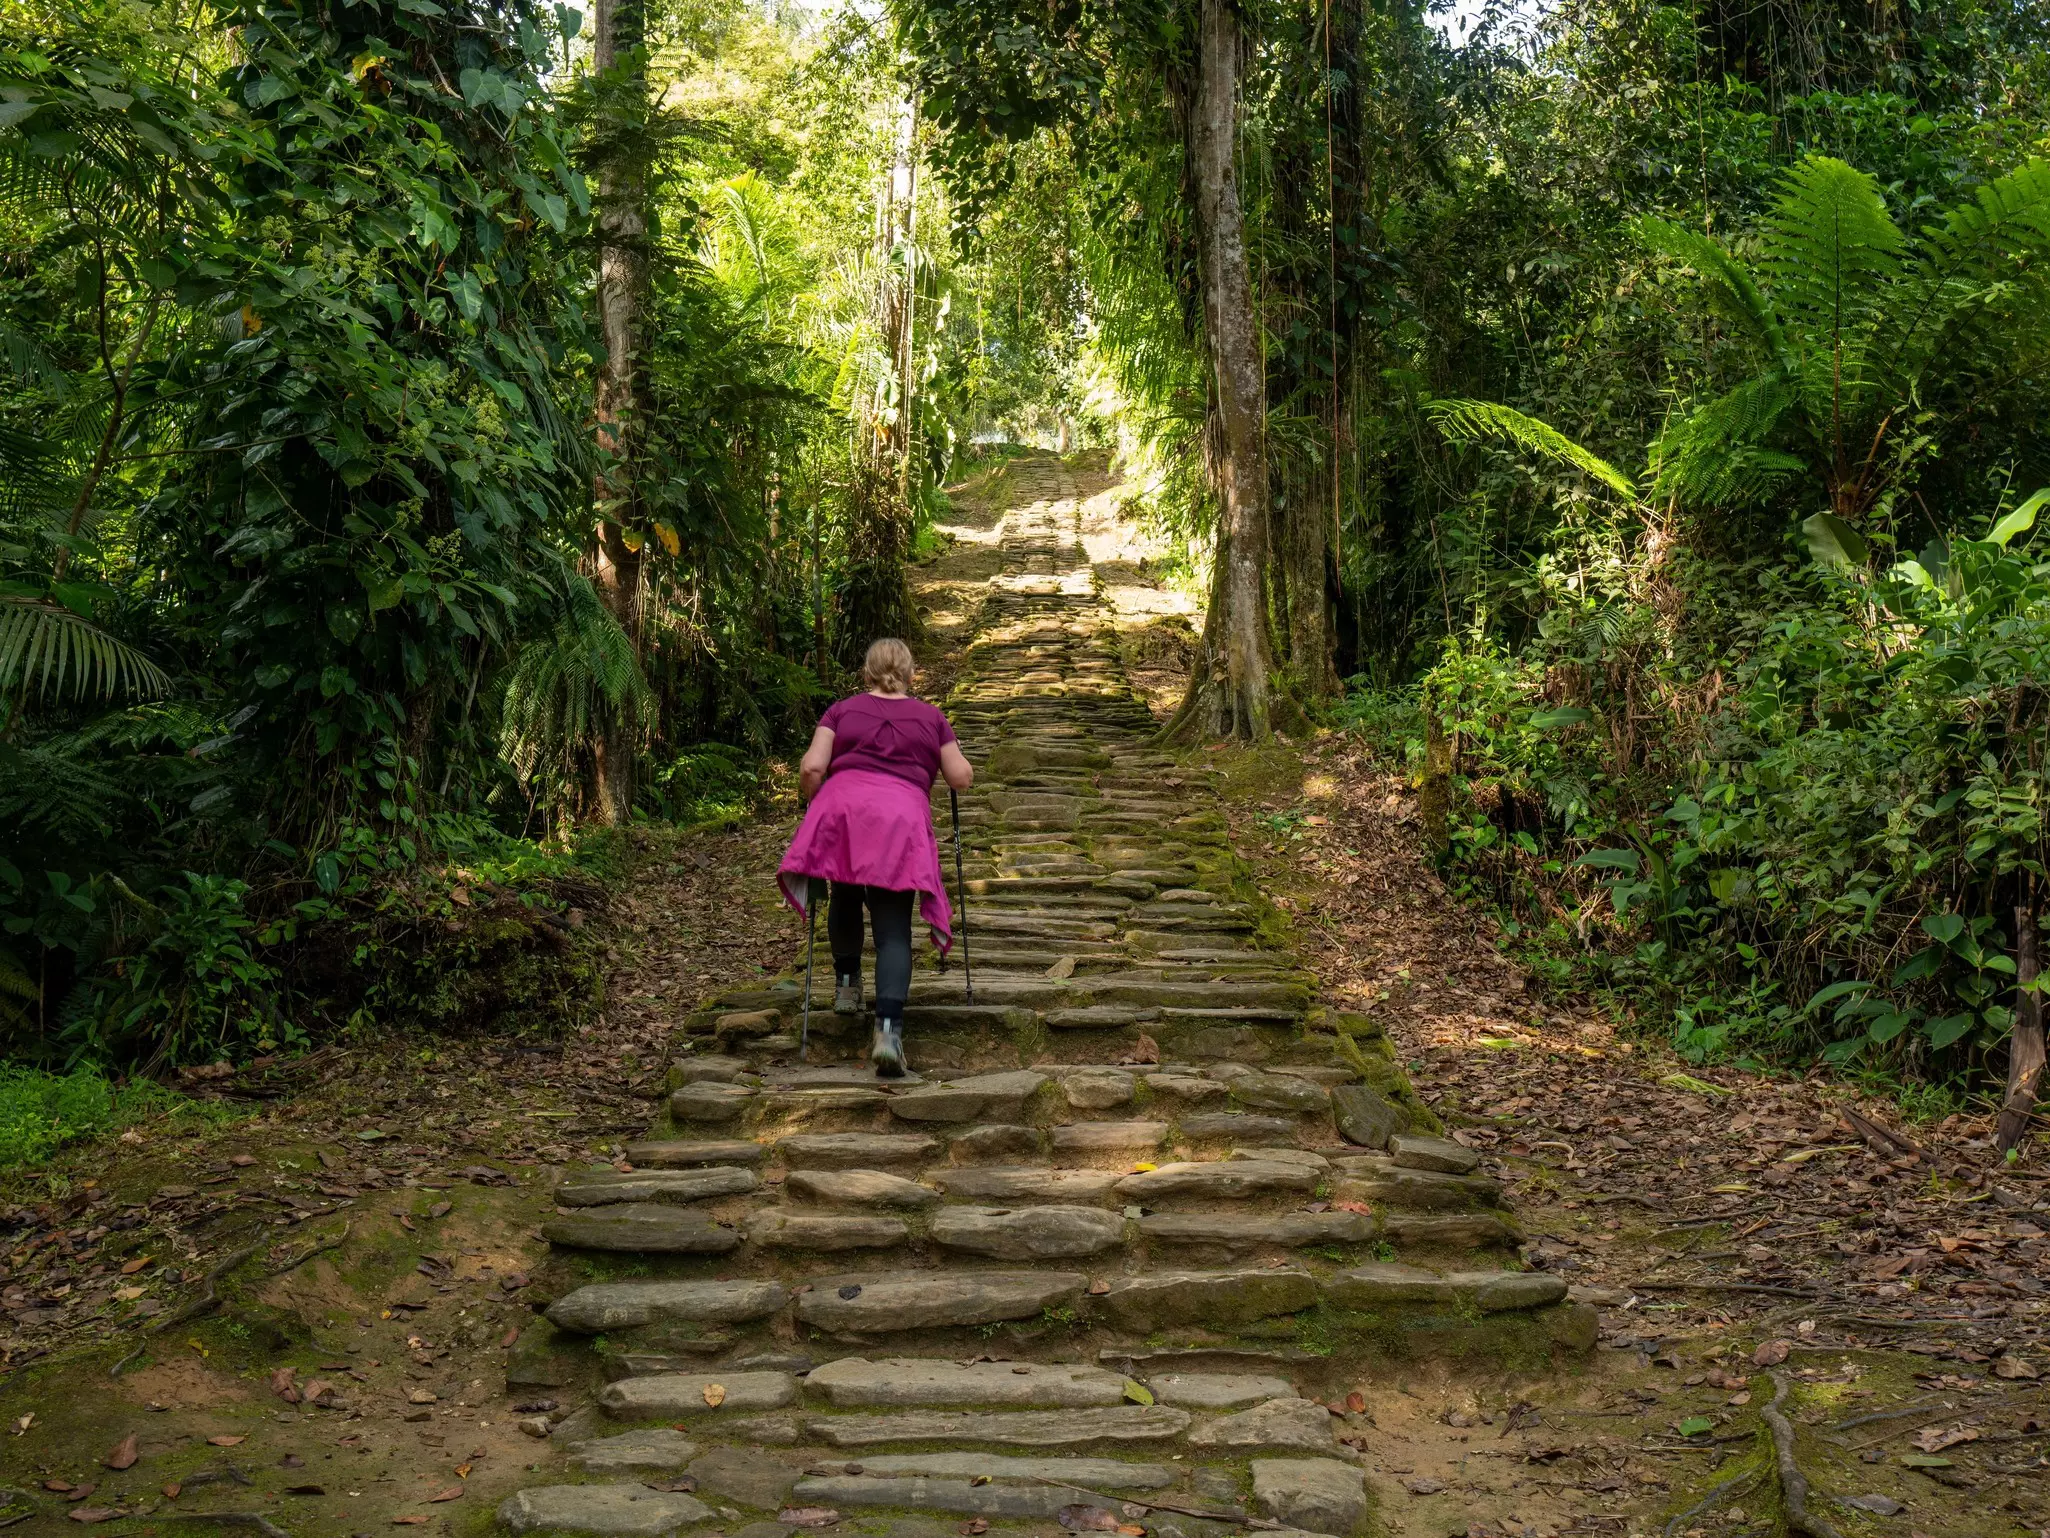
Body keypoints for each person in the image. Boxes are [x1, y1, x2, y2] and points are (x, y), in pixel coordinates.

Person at [778, 637, 974, 1077]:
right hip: (899, 819)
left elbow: (812, 767)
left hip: (844, 814)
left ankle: (847, 986)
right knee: (892, 927)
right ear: (910, 674)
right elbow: (961, 777)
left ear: (866, 674)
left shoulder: (841, 711)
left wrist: (814, 800)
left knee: (844, 894)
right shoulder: (931, 717)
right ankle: (887, 1030)